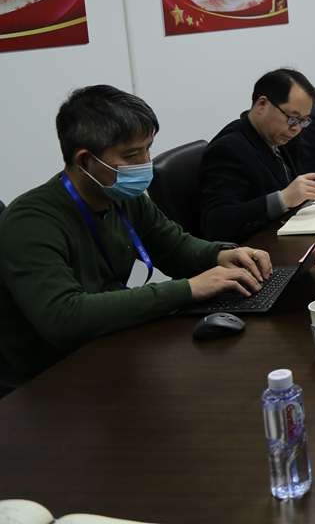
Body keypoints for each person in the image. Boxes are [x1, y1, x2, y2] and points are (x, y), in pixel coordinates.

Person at [0, 86, 272, 384]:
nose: (145, 162)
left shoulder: (122, 196)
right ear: (85, 160)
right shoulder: (30, 221)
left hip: (109, 345)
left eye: (147, 148)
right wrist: (188, 289)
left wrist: (220, 254)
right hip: (48, 379)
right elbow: (64, 317)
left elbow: (174, 247)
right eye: (131, 155)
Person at [200, 69, 315, 243]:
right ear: (262, 104)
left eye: (304, 120)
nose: (296, 128)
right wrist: (283, 199)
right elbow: (217, 222)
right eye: (292, 118)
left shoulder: (282, 136)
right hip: (254, 248)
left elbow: (294, 179)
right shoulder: (228, 149)